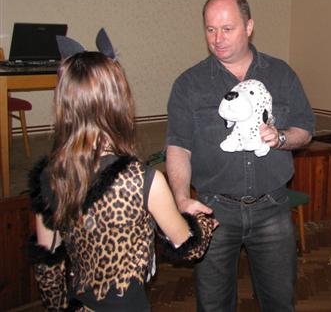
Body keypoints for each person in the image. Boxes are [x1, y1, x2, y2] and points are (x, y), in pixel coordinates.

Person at [28, 30, 213, 311]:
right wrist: (203, 221)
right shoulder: (141, 179)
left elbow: (48, 267)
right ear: (117, 102)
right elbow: (188, 246)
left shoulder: (51, 177)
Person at [165, 0, 314, 311]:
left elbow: (305, 129)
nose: (217, 38)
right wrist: (181, 199)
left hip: (273, 208)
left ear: (249, 27)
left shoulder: (281, 74)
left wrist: (281, 137)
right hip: (214, 211)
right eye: (210, 30)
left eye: (227, 29)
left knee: (279, 303)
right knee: (213, 305)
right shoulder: (189, 84)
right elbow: (178, 147)